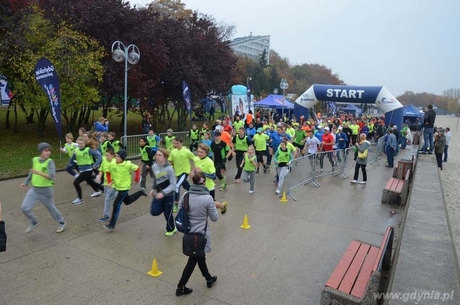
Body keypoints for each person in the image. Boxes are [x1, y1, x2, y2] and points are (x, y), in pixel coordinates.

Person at [176, 172, 219, 297]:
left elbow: (179, 212)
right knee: (194, 259)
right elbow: (214, 218)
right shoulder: (208, 198)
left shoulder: (186, 195)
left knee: (200, 257)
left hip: (189, 234)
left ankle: (208, 278)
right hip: (201, 235)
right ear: (204, 182)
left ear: (193, 182)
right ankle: (181, 287)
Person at [20, 143, 67, 233]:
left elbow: (51, 176)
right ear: (40, 151)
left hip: (46, 191)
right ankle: (34, 222)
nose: (48, 153)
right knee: (24, 207)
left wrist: (38, 172)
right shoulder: (34, 160)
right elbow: (32, 172)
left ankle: (62, 222)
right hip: (34, 190)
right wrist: (26, 182)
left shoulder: (50, 162)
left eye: (49, 150)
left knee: (52, 209)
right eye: (46, 150)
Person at [104, 150, 146, 230]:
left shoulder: (127, 164)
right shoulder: (112, 163)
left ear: (123, 158)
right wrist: (109, 181)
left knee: (116, 204)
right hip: (117, 186)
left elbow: (137, 169)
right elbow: (108, 172)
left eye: (118, 157)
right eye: (116, 156)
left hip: (124, 187)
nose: (116, 158)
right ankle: (140, 193)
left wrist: (137, 178)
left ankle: (112, 224)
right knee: (127, 201)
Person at [150, 148, 177, 236]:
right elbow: (155, 179)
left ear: (164, 157)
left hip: (169, 195)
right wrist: (153, 188)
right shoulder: (154, 166)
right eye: (156, 155)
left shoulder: (169, 169)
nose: (157, 157)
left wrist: (163, 193)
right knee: (154, 212)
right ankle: (165, 208)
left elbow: (173, 185)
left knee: (167, 214)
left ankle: (171, 229)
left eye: (159, 155)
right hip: (158, 194)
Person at [69, 136, 104, 204]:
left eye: (81, 143)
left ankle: (80, 198)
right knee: (92, 182)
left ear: (85, 143)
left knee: (76, 183)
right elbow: (71, 161)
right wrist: (73, 155)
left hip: (88, 170)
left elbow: (99, 156)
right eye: (79, 144)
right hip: (81, 170)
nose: (80, 145)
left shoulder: (88, 150)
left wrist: (96, 165)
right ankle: (102, 190)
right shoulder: (76, 150)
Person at [168, 137, 195, 213]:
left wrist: (192, 171)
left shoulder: (186, 151)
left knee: (177, 186)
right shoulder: (173, 152)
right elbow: (170, 160)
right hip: (177, 172)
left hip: (185, 172)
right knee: (185, 185)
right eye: (175, 143)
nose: (176, 145)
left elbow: (195, 160)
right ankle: (194, 192)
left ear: (182, 143)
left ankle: (176, 204)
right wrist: (172, 166)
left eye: (178, 143)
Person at [95, 149, 117, 222]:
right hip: (105, 183)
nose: (106, 157)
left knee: (107, 199)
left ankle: (106, 216)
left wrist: (112, 181)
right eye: (105, 155)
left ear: (113, 155)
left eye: (108, 155)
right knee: (109, 198)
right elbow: (101, 169)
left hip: (112, 184)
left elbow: (118, 174)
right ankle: (120, 195)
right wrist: (99, 176)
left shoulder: (116, 163)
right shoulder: (104, 161)